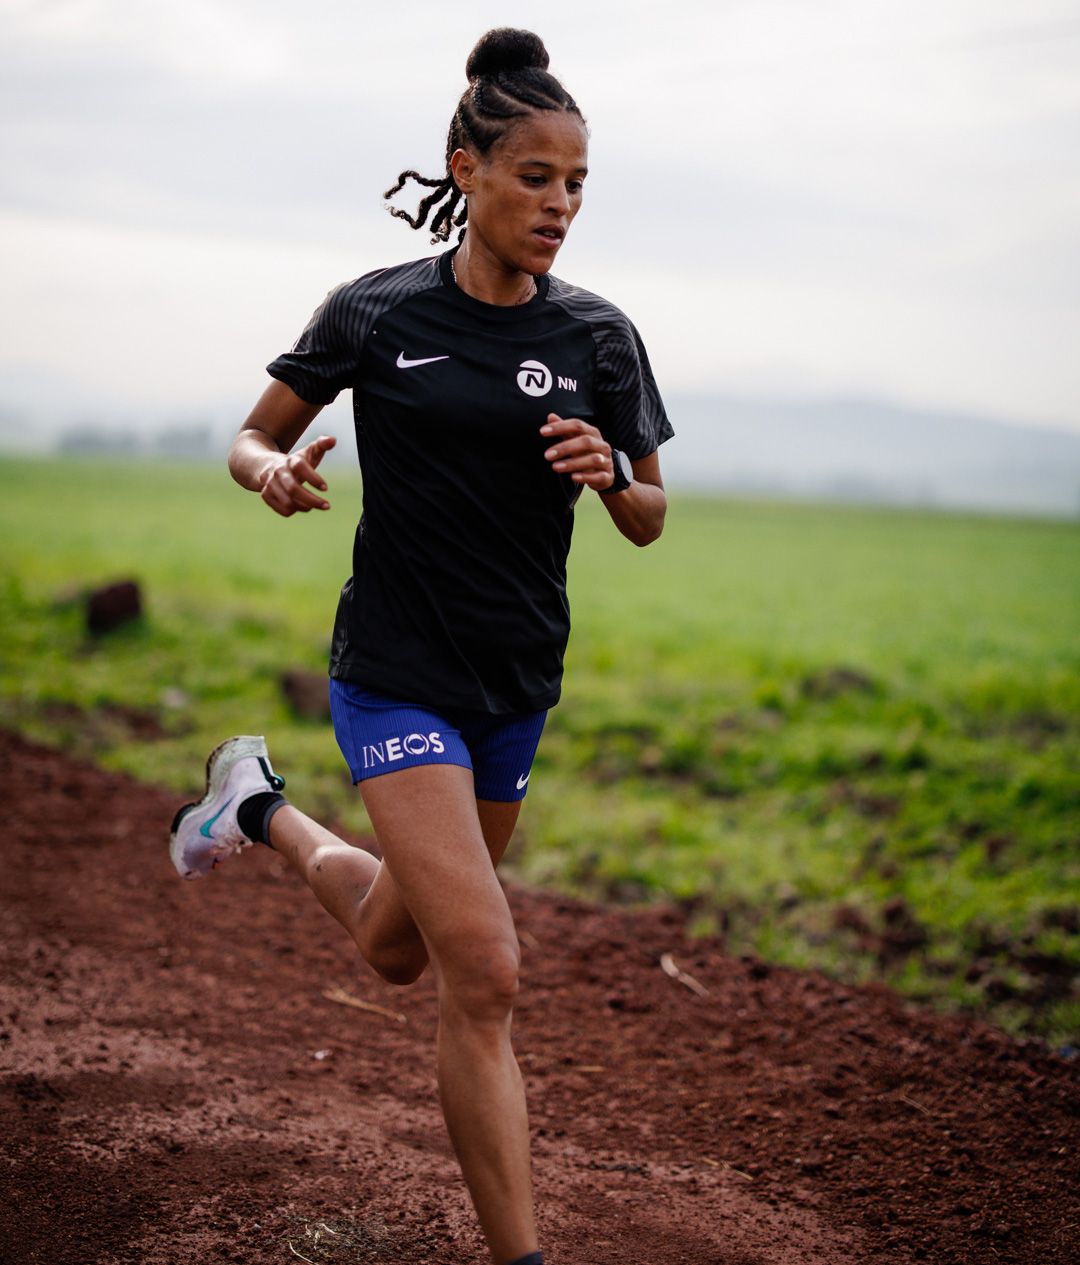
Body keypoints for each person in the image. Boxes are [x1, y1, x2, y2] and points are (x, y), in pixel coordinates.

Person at [169, 27, 672, 1265]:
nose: (559, 205)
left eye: (576, 185)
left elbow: (651, 514)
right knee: (484, 970)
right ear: (469, 169)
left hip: (514, 685)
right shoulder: (377, 310)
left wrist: (610, 472)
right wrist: (274, 470)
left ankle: (255, 808)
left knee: (398, 948)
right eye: (535, 177)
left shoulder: (599, 337)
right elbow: (249, 434)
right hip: (394, 673)